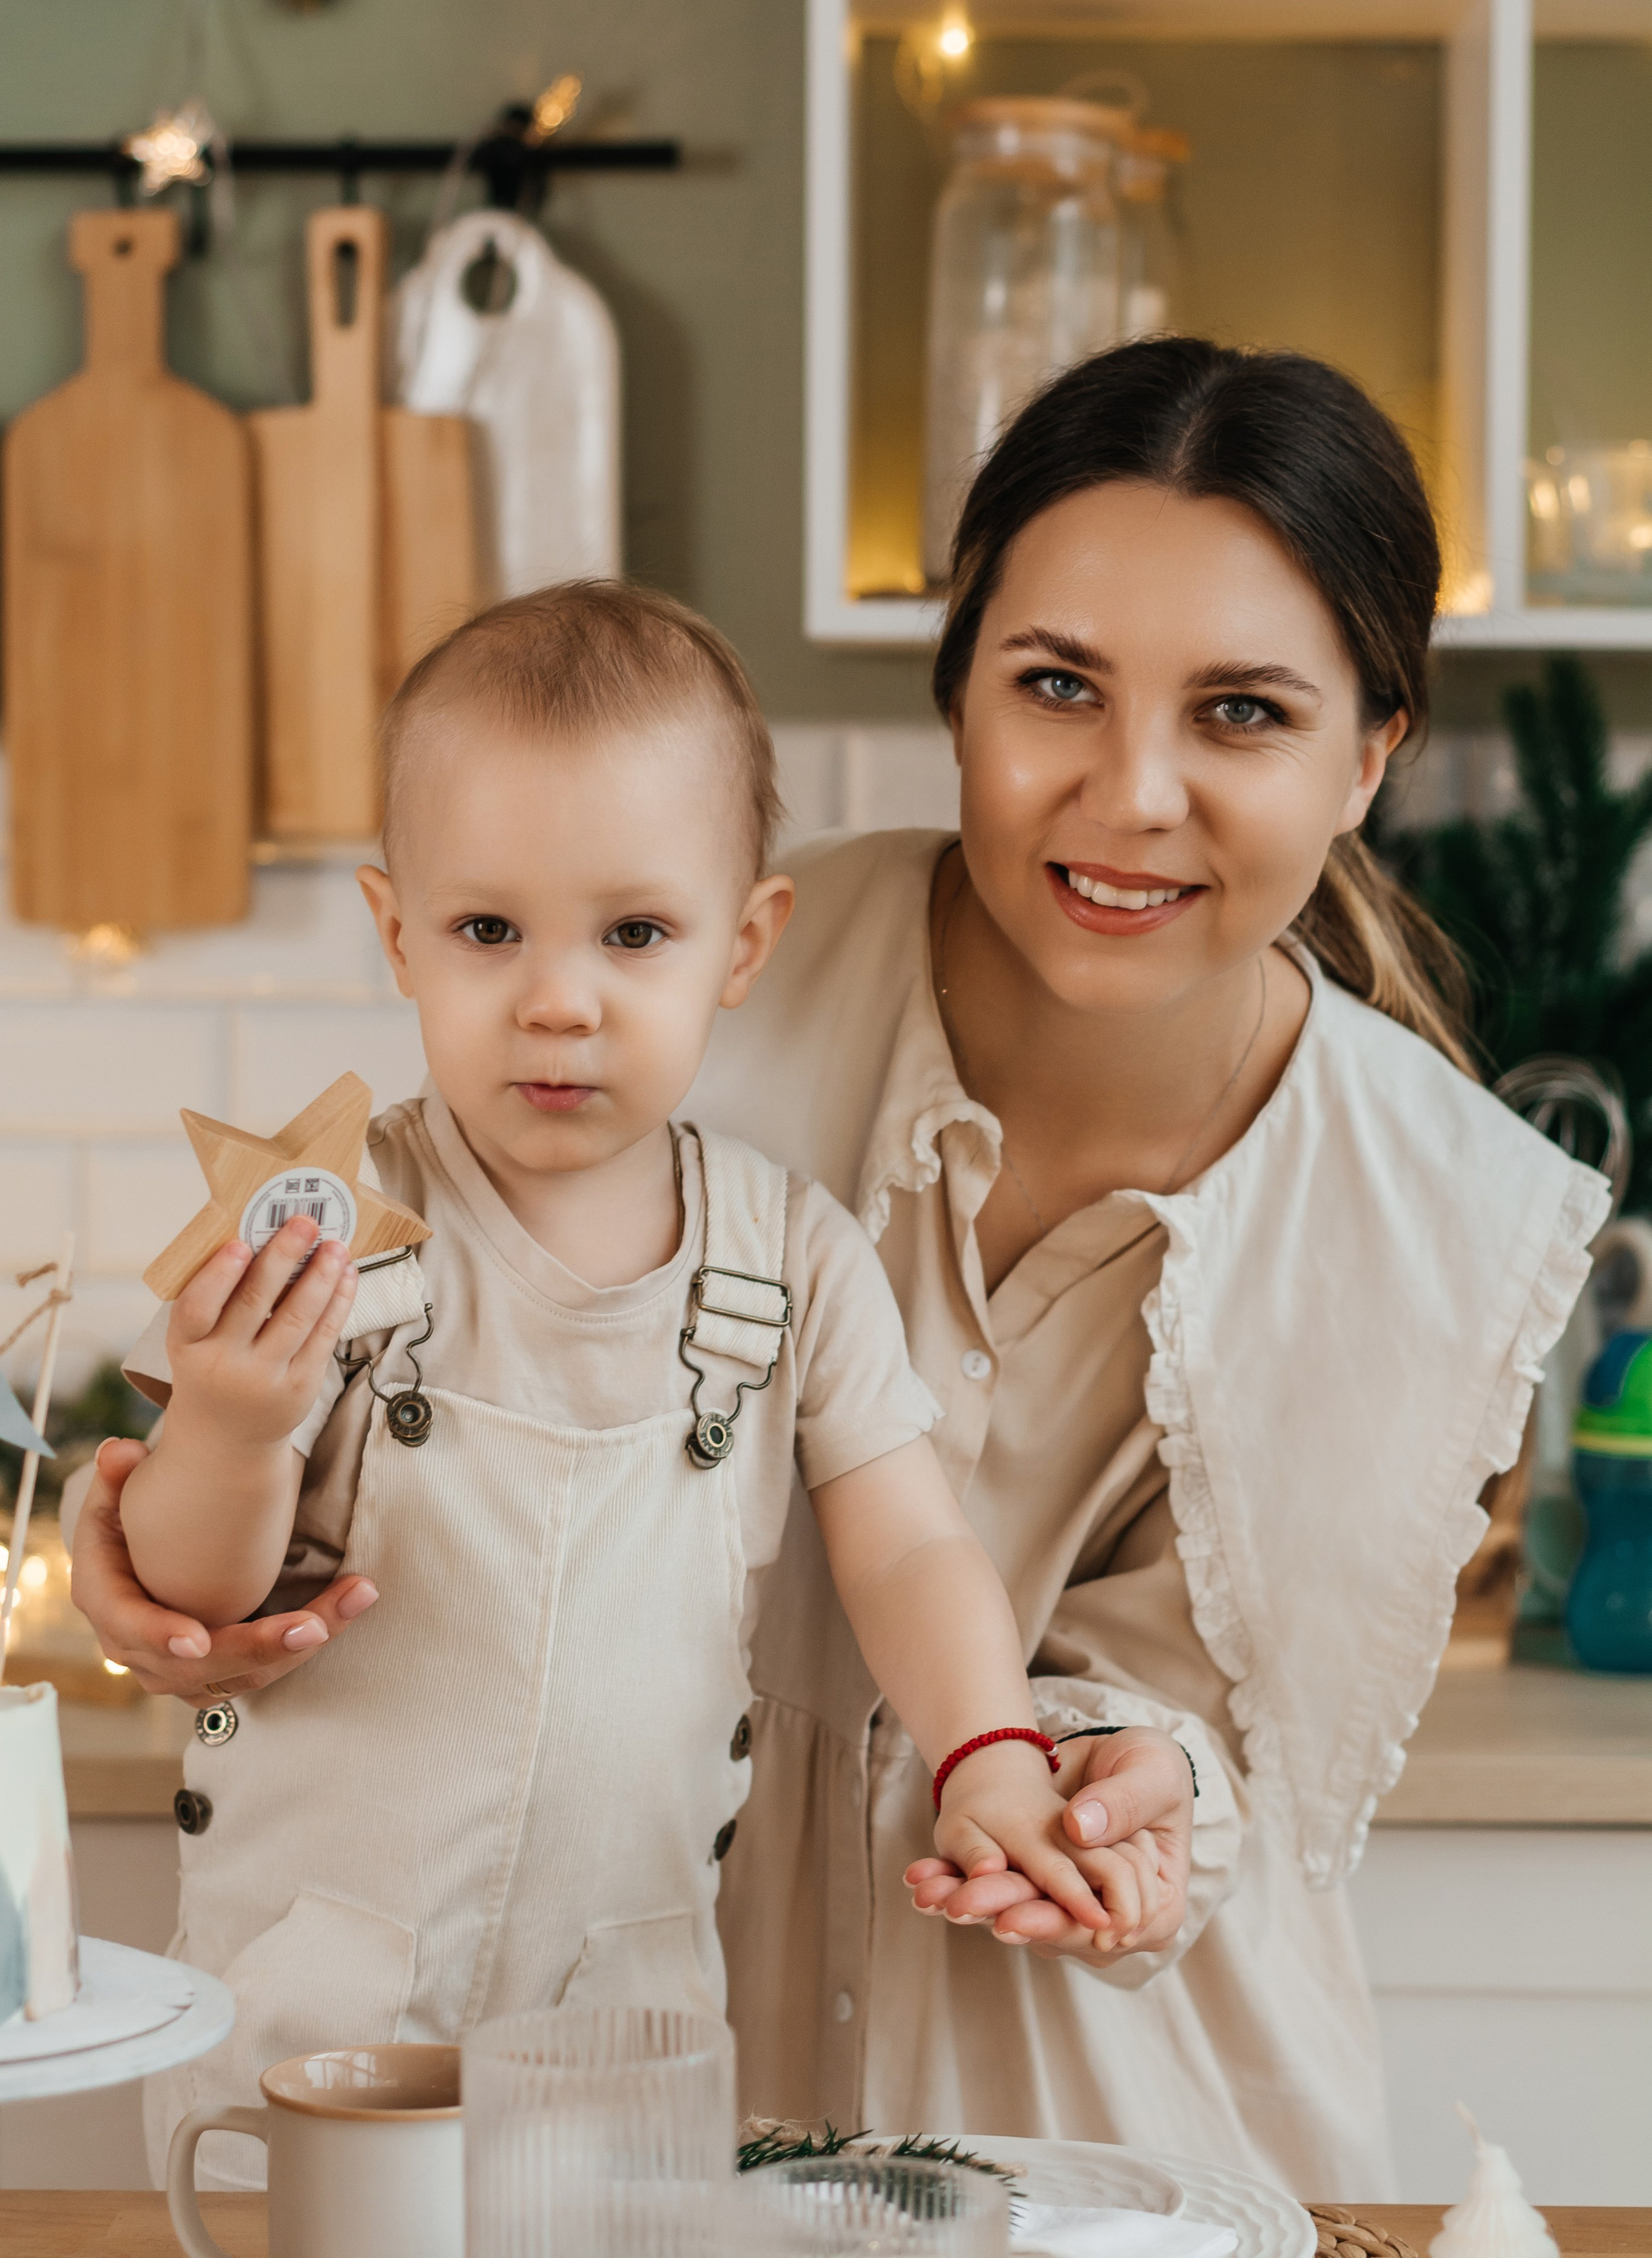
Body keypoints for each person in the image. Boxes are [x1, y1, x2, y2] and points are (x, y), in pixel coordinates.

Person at [71, 341, 1606, 2197]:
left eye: (1244, 715)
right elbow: (368, 1431)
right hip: (641, 2110)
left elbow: (1195, 1722)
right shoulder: (665, 999)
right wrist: (197, 1502)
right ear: (960, 691)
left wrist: (1118, 1788)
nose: (1133, 795)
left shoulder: (1447, 1222)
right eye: (1058, 686)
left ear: (1371, 755)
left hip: (1115, 2142)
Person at [107, 584, 1154, 2188]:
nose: (558, 997)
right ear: (397, 934)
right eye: (486, 931)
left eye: (634, 934)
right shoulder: (331, 1229)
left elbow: (906, 1546)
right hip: (316, 1998)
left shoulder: (787, 1257)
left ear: (743, 946)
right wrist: (236, 1424)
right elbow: (197, 1600)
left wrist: (987, 1751)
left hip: (625, 2013)